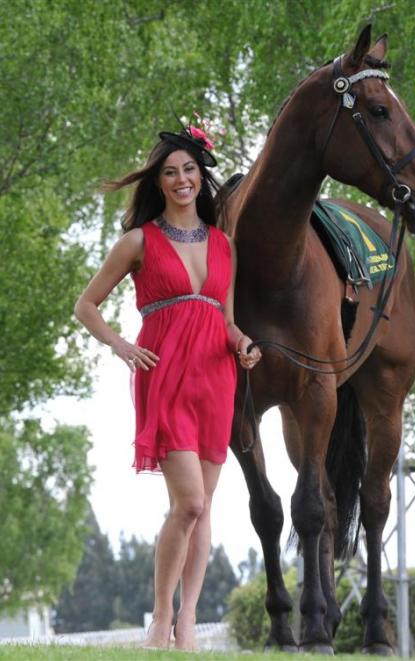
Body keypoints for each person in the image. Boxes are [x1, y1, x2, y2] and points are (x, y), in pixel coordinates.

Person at [74, 124, 262, 651]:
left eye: (189, 171)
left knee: (205, 507)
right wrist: (120, 346)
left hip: (216, 378)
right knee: (190, 503)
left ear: (202, 178)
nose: (181, 180)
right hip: (166, 377)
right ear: (158, 182)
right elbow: (85, 306)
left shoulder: (224, 244)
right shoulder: (138, 241)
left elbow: (224, 321)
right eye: (170, 172)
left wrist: (244, 342)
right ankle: (160, 616)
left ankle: (188, 623)